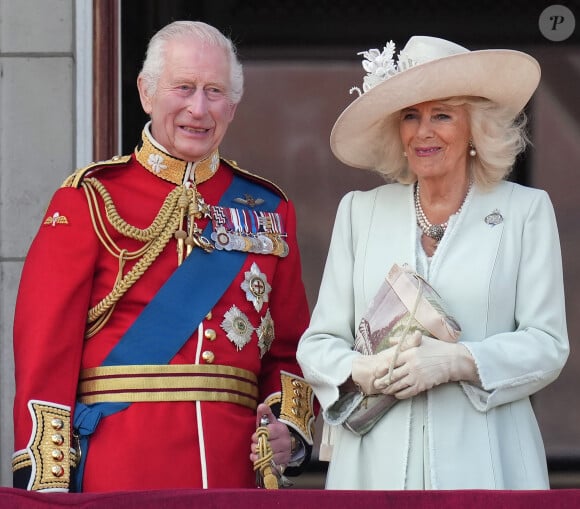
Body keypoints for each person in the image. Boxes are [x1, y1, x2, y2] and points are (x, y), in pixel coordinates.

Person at [12, 20, 315, 492]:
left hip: (231, 474)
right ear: (146, 93)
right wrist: (48, 485)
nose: (198, 108)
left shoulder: (270, 210)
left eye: (214, 91)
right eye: (184, 88)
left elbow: (290, 350)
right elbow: (45, 350)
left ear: (233, 106)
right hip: (117, 470)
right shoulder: (89, 198)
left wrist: (287, 432)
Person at [297, 35, 569, 490]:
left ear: (474, 129)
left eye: (441, 114)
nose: (423, 131)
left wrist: (459, 361)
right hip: (372, 468)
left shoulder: (525, 211)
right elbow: (318, 343)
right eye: (410, 116)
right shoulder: (359, 212)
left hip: (488, 464)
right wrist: (358, 370)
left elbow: (547, 345)